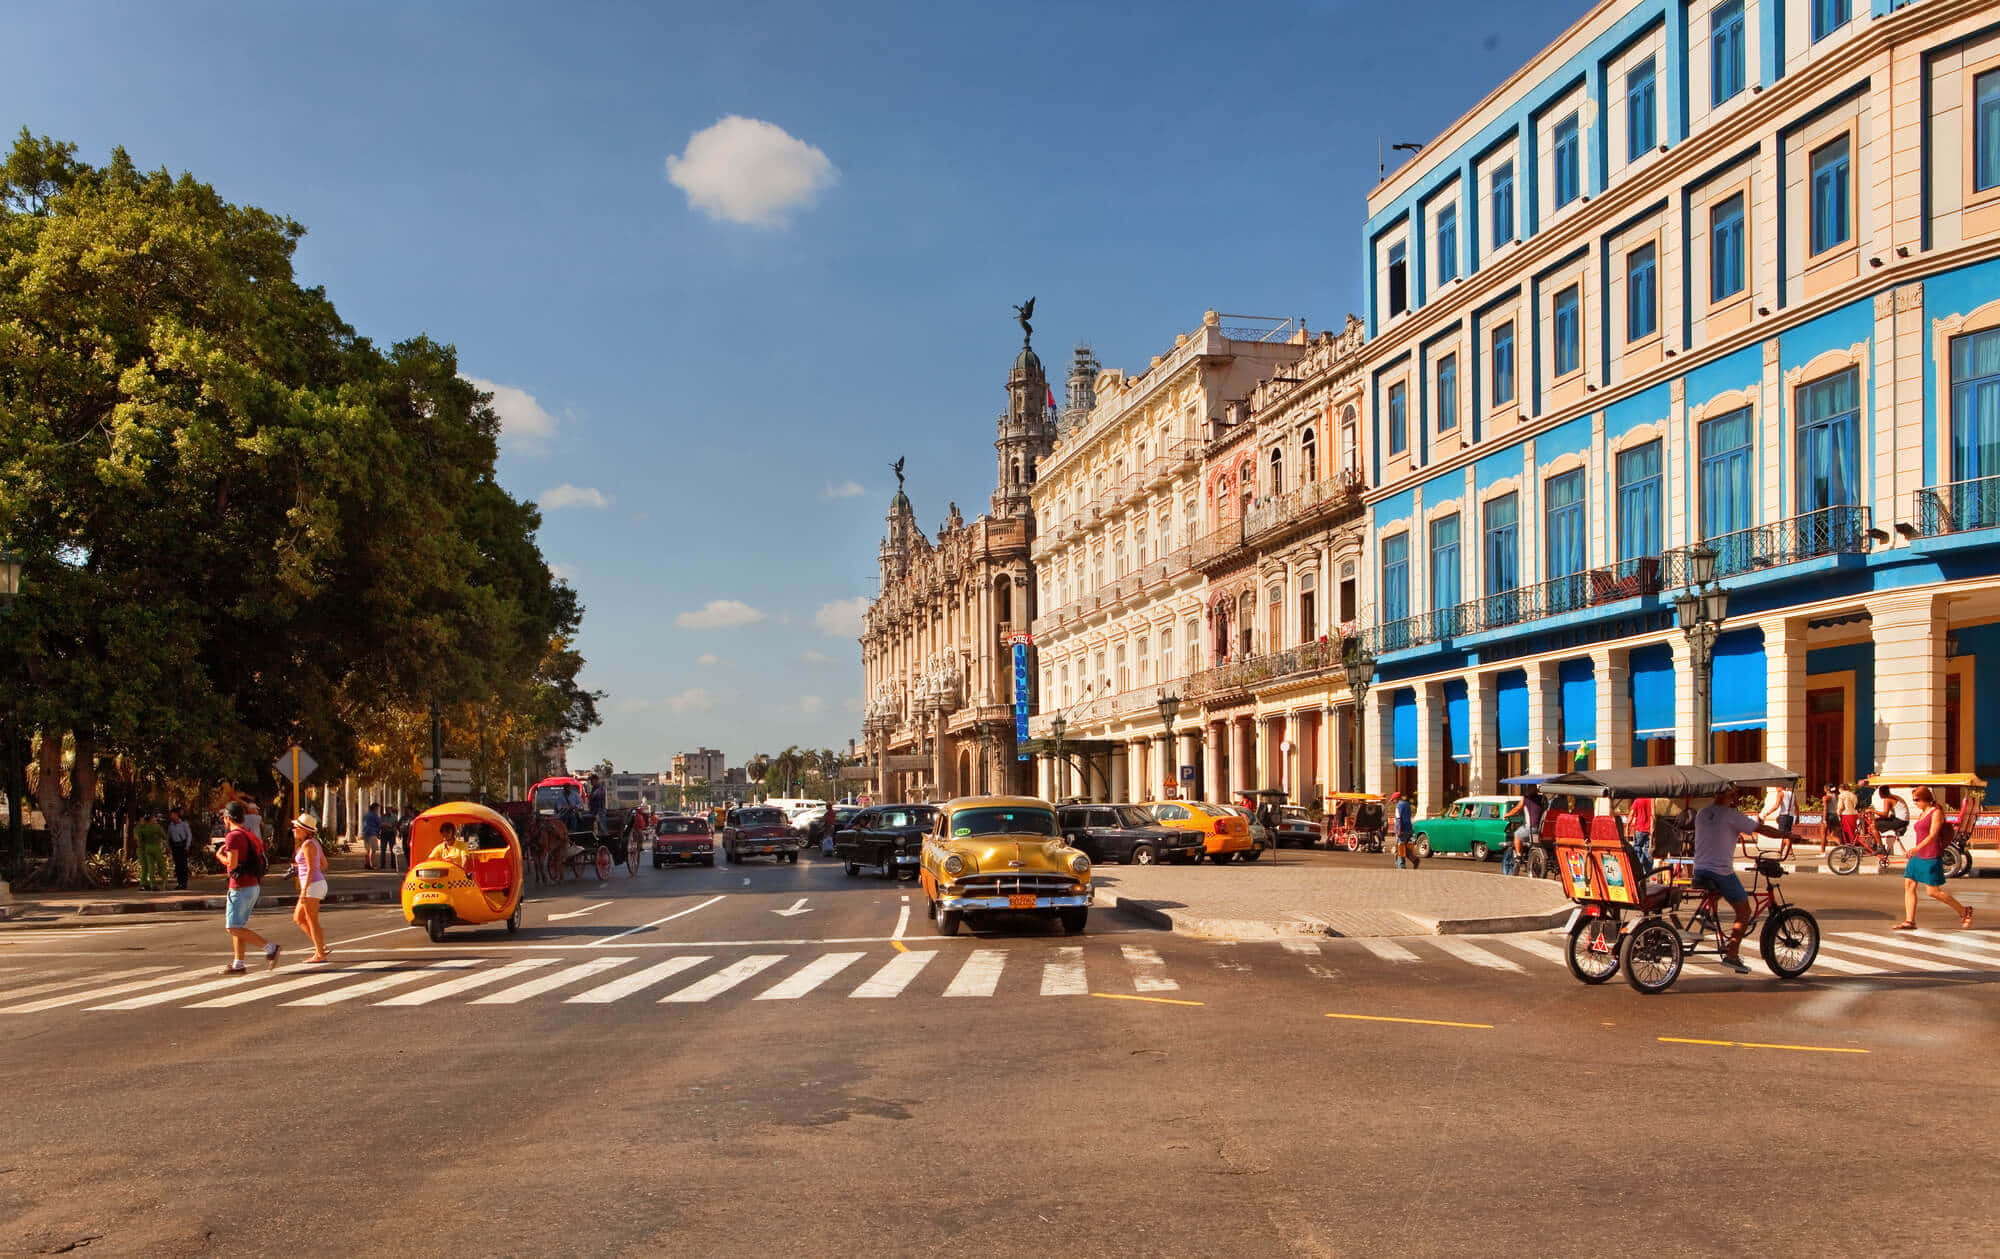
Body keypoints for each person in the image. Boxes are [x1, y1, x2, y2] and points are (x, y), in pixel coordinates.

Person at [1689, 793, 1786, 974]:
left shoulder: (1702, 813)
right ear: (1732, 796)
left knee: (1718, 892)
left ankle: (1708, 913)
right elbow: (1762, 829)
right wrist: (1786, 834)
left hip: (1700, 869)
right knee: (1744, 912)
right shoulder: (1731, 816)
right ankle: (1732, 955)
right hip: (1720, 871)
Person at [1895, 786, 1973, 930]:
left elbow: (1933, 835)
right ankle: (1909, 921)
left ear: (1926, 799)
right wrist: (1915, 850)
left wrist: (1916, 848)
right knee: (1909, 885)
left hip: (1930, 854)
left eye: (1917, 800)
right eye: (1914, 800)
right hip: (1918, 856)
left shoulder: (1936, 813)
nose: (1915, 803)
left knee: (1933, 891)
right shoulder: (1923, 812)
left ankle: (1964, 911)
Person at [217, 801, 279, 974]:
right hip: (252, 884)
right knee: (238, 926)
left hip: (240, 886)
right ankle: (238, 963)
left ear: (228, 818)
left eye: (224, 816)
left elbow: (233, 863)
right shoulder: (248, 833)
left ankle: (270, 948)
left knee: (232, 927)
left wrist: (219, 857)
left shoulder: (233, 836)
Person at [290, 813, 331, 963]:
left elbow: (312, 869)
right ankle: (321, 946)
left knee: (311, 920)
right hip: (316, 884)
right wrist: (300, 867)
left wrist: (303, 890)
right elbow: (324, 864)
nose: (293, 829)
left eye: (296, 827)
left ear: (304, 830)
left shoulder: (307, 845)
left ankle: (320, 953)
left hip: (312, 885)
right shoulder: (314, 843)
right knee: (298, 918)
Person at [1874, 786, 1911, 854]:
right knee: (1877, 820)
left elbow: (1885, 814)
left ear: (1881, 793)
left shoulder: (1887, 799)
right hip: (1903, 820)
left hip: (1900, 821)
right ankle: (1876, 843)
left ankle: (1880, 847)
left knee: (1873, 825)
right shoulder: (1894, 796)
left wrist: (1872, 811)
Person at [166, 807, 193, 890]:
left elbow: (189, 835)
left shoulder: (184, 824)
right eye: (171, 815)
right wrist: (168, 847)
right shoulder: (171, 826)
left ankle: (184, 883)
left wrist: (187, 845)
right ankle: (179, 882)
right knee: (177, 865)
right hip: (175, 846)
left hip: (183, 846)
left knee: (183, 865)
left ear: (177, 815)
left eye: (173, 815)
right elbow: (168, 837)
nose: (172, 816)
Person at [1628, 794, 1655, 875]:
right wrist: (1652, 828)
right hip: (1649, 830)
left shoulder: (1637, 800)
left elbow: (1632, 814)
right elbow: (1653, 815)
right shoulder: (1651, 800)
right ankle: (1648, 871)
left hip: (1639, 829)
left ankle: (1639, 865)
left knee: (1637, 847)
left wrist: (1627, 826)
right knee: (1647, 850)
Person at [1390, 792, 1417, 870]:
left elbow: (1399, 819)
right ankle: (1414, 860)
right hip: (1409, 829)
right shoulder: (1407, 804)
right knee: (1404, 847)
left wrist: (1399, 830)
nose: (1393, 802)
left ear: (1396, 799)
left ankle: (1401, 866)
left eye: (1393, 800)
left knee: (1400, 848)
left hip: (1402, 830)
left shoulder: (1399, 806)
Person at [361, 802, 382, 870]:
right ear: (375, 808)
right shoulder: (374, 815)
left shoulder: (366, 815)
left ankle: (367, 863)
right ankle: (372, 865)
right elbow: (380, 824)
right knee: (373, 850)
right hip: (372, 833)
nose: (378, 809)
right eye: (377, 808)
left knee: (367, 850)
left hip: (365, 833)